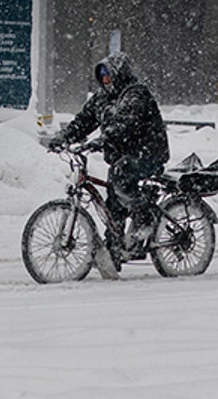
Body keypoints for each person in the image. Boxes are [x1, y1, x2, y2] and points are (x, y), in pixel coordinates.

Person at [48, 52, 170, 256]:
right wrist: (64, 137)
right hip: (122, 157)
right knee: (114, 202)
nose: (105, 79)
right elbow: (84, 121)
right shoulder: (102, 97)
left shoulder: (135, 94)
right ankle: (115, 249)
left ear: (120, 73)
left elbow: (125, 125)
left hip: (148, 154)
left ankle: (145, 217)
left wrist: (102, 141)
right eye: (102, 75)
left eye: (109, 74)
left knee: (120, 175)